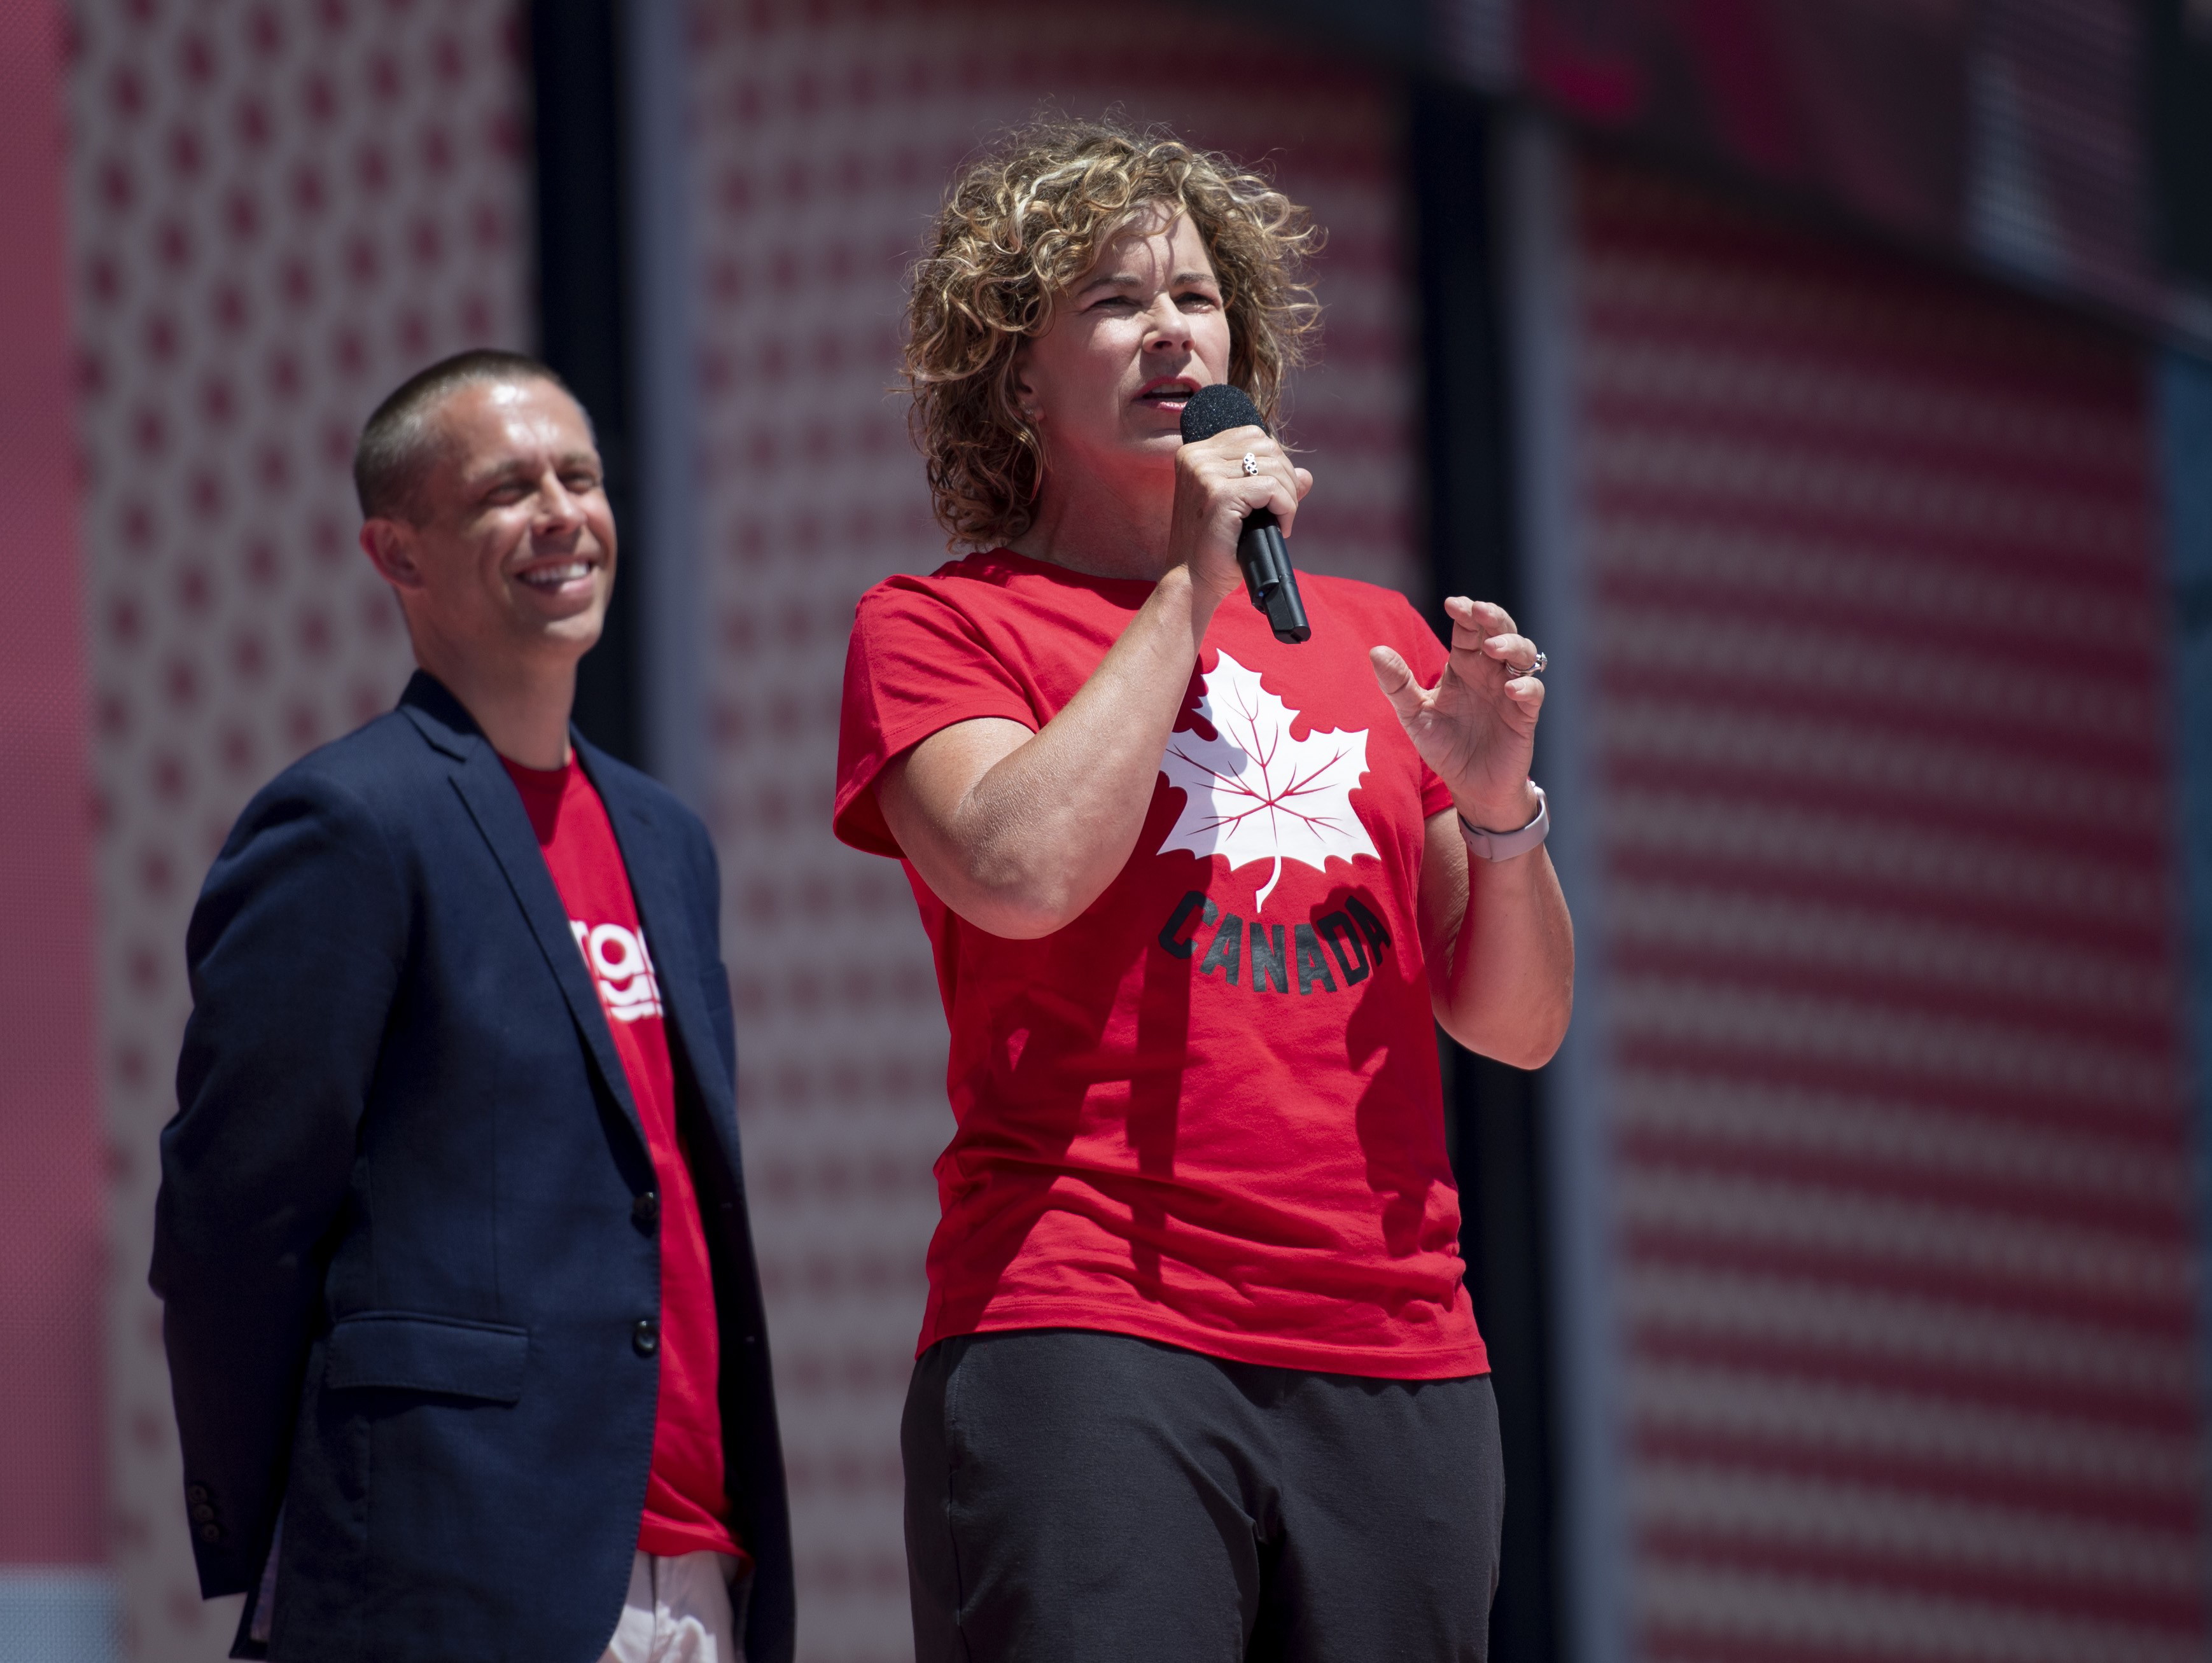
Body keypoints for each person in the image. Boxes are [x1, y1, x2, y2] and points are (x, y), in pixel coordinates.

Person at [833, 122, 1575, 1661]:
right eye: (1114, 301)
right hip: (1088, 1321)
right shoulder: (941, 626)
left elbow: (1513, 1022)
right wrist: (1186, 588)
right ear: (1014, 377)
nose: (1172, 329)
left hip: (1396, 1349)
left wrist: (1500, 816)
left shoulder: (1366, 632)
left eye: (1196, 297)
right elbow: (1022, 872)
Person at [152, 351, 792, 1663]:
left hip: (697, 1562)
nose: (562, 512)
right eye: (508, 488)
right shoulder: (348, 821)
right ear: (399, 553)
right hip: (450, 1559)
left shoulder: (668, 839)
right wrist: (317, 1519)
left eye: (581, 475)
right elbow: (235, 1215)